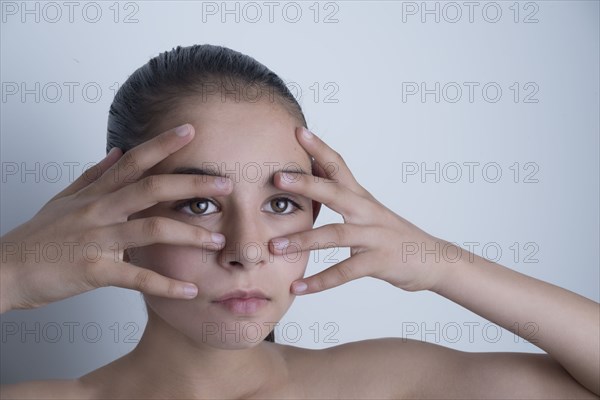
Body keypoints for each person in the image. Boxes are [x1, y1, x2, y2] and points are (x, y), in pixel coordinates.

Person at [0, 44, 598, 399]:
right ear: (117, 218)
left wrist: (432, 261)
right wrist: (13, 273)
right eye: (199, 202)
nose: (248, 250)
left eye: (280, 203)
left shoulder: (387, 385)